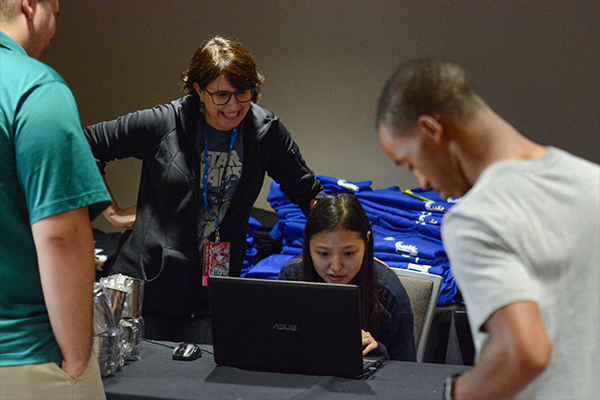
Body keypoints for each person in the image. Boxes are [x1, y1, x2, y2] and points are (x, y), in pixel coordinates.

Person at [376, 58, 599, 399]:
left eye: (410, 163)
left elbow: (523, 354)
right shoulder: (592, 182)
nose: (421, 181)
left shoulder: (474, 219)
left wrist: (455, 394)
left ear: (431, 131)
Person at [85, 36, 324, 344]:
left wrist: (354, 240)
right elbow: (85, 145)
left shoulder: (265, 132)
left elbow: (309, 193)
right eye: (221, 95)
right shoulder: (164, 122)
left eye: (242, 93)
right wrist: (113, 213)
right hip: (150, 285)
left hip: (212, 291)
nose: (234, 106)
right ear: (198, 90)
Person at [0, 1, 112, 399]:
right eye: (56, 13)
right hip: (23, 357)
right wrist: (77, 361)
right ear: (30, 5)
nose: (54, 28)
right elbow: (61, 236)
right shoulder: (33, 88)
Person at [278, 193, 416, 362]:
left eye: (348, 253)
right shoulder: (292, 277)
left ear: (366, 241)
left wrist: (376, 351)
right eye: (323, 253)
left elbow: (406, 374)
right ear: (307, 245)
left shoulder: (389, 292)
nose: (336, 267)